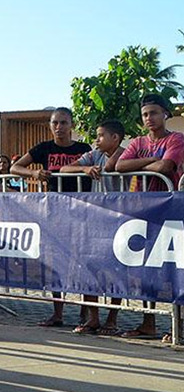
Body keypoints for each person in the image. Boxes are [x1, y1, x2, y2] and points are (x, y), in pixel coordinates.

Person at [11, 107, 91, 327]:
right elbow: (15, 167)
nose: (59, 127)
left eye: (64, 123)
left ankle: (86, 313)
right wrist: (34, 173)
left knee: (82, 263)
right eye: (55, 123)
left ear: (71, 125)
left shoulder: (84, 149)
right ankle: (58, 313)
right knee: (56, 263)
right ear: (50, 125)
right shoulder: (43, 148)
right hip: (54, 213)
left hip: (83, 212)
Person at [115, 94, 184, 339]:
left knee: (174, 270)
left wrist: (141, 164)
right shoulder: (138, 142)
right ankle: (148, 323)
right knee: (146, 272)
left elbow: (167, 168)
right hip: (143, 212)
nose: (149, 118)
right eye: (145, 114)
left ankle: (179, 327)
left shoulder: (176, 138)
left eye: (154, 113)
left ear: (165, 114)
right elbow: (119, 166)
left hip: (172, 212)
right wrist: (152, 161)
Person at [60, 119, 126, 334]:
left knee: (117, 270)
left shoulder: (126, 152)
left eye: (100, 136)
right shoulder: (93, 155)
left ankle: (112, 318)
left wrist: (114, 153)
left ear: (115, 138)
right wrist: (85, 168)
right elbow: (64, 168)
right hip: (95, 218)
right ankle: (93, 318)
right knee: (90, 267)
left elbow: (110, 167)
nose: (96, 140)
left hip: (120, 218)